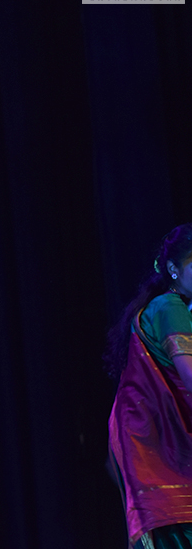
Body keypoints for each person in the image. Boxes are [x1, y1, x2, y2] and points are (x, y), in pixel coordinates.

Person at [106, 223, 192, 549]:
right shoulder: (169, 307)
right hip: (172, 475)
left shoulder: (171, 309)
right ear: (173, 269)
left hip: (160, 471)